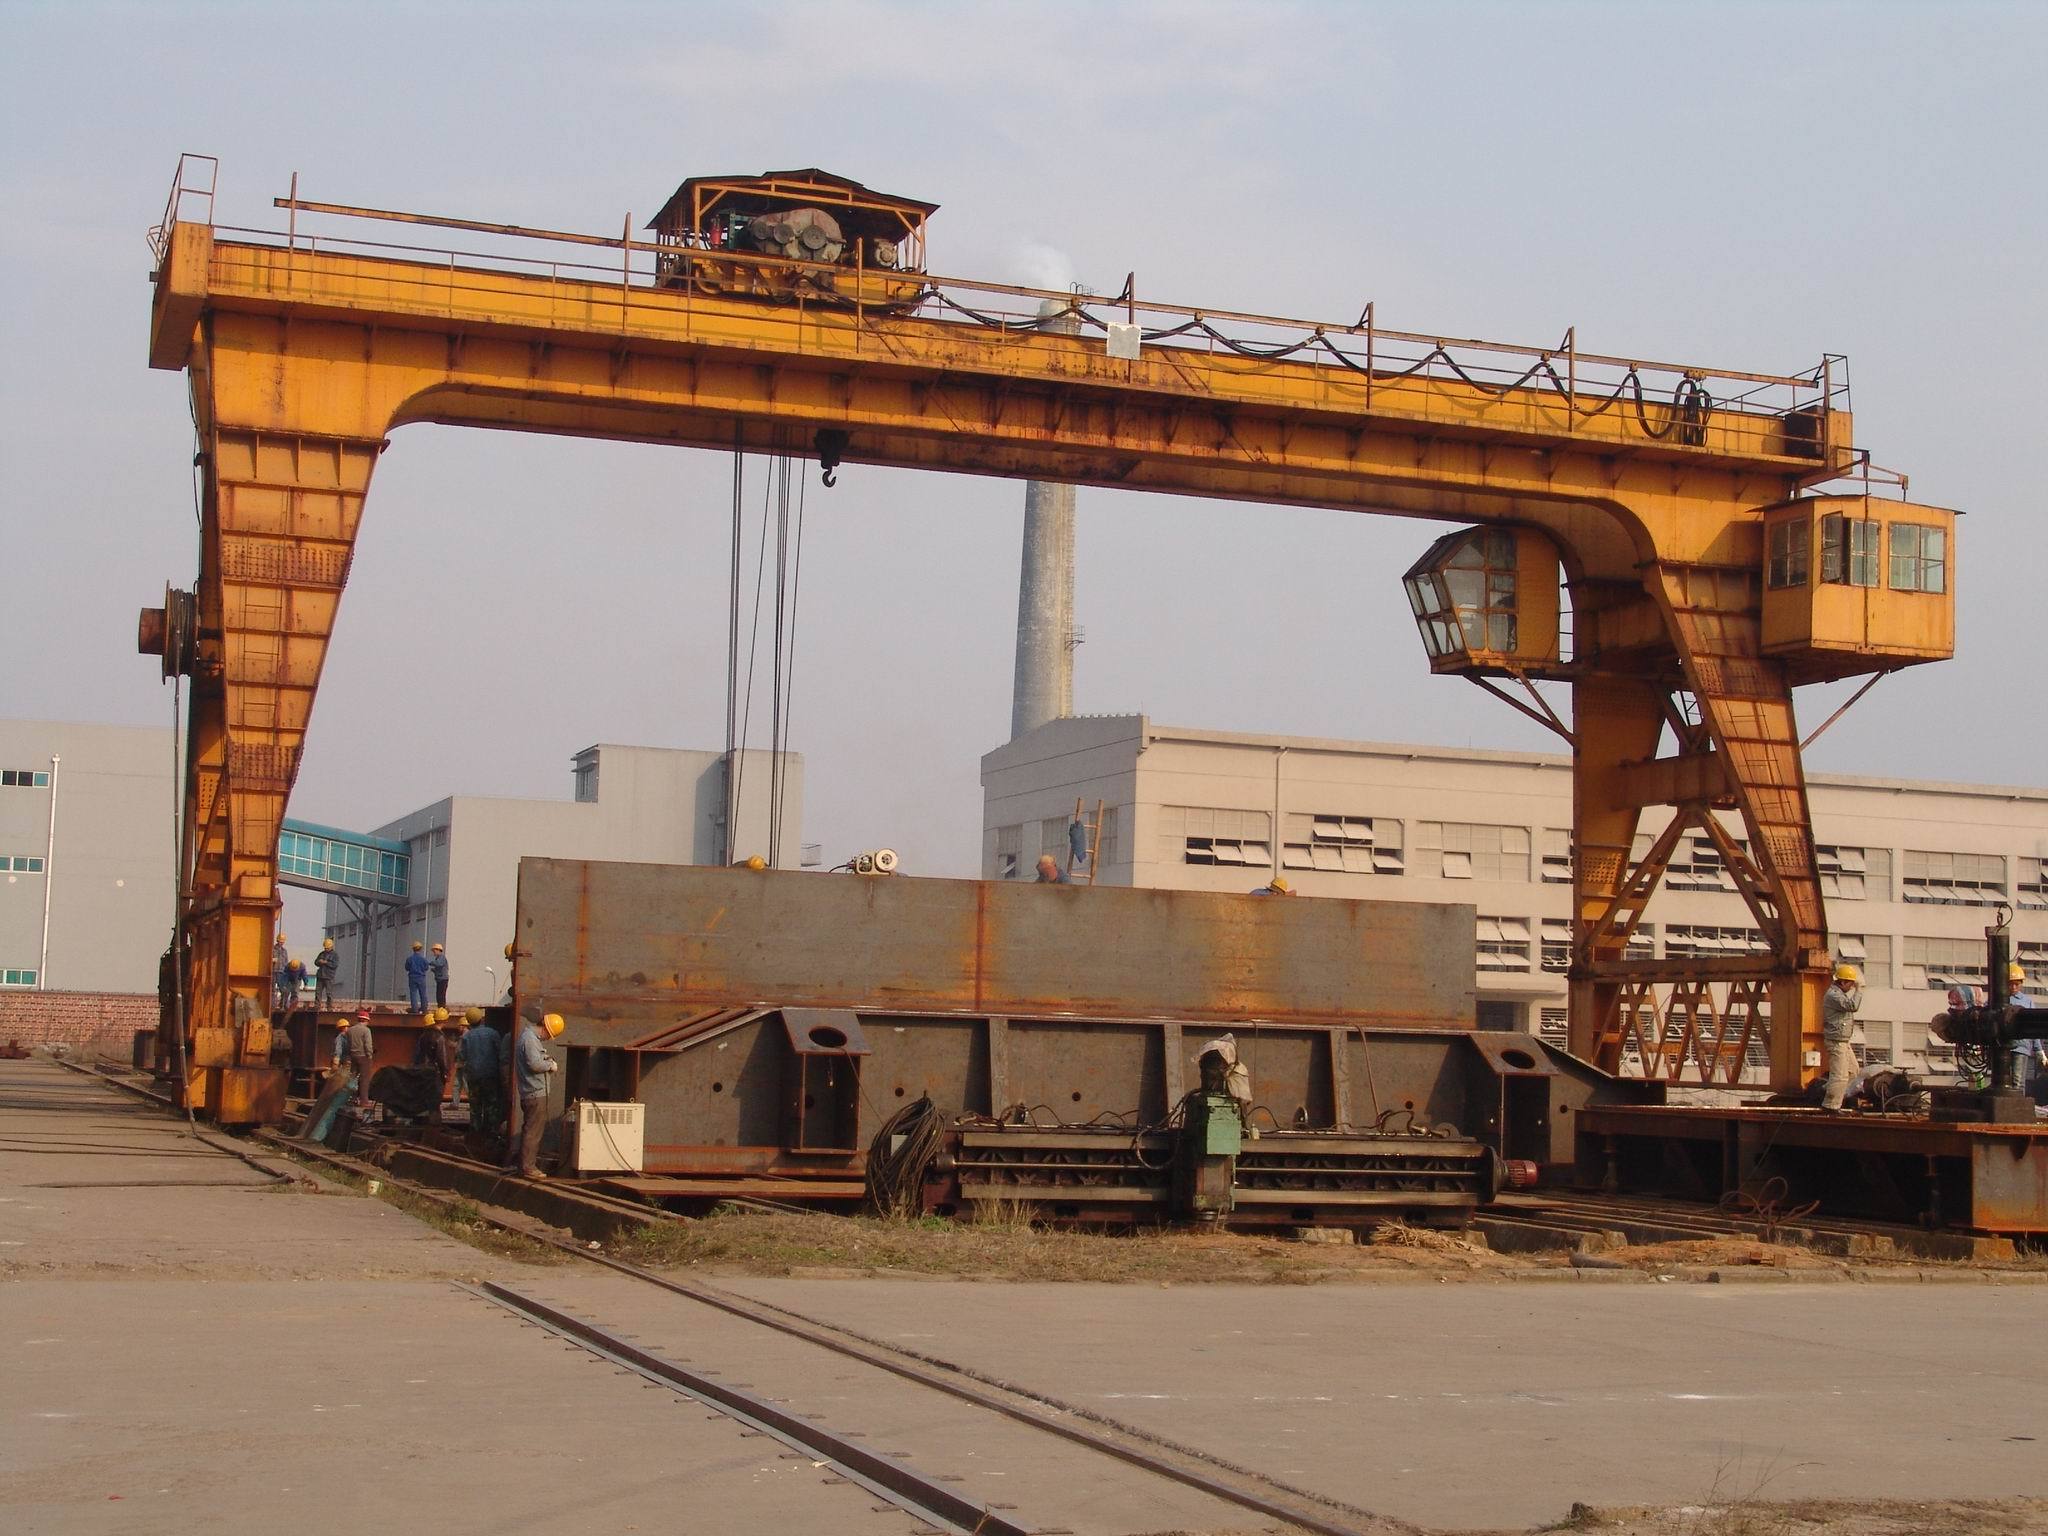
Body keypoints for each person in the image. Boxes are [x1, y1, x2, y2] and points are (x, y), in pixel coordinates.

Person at [504, 1014, 565, 1179]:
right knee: (533, 1132)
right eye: (549, 1035)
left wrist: (545, 1059)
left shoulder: (528, 1038)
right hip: (535, 1092)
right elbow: (534, 1064)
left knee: (531, 1129)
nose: (547, 1039)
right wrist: (550, 1065)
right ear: (545, 1029)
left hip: (532, 1092)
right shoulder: (530, 1039)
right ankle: (528, 1167)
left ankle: (525, 1166)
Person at [1820, 961, 1863, 1111]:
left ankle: (1825, 1091)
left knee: (1852, 1071)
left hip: (1843, 1041)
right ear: (1843, 982)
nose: (1851, 987)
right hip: (1836, 1041)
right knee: (1840, 1075)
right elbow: (1852, 1006)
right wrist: (1859, 990)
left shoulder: (1839, 994)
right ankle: (1830, 1106)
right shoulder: (1833, 995)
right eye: (1850, 984)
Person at [458, 1008, 505, 1138]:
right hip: (491, 1076)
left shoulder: (466, 1037)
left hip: (473, 1076)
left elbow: (462, 1056)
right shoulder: (492, 1033)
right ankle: (491, 1134)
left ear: (468, 1022)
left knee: (475, 1107)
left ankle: (476, 1135)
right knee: (491, 1106)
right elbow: (501, 1053)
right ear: (481, 1019)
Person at [413, 1007, 453, 1103]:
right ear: (445, 1020)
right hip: (435, 1073)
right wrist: (446, 1073)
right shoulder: (440, 1037)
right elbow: (442, 1057)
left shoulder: (424, 1035)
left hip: (423, 1070)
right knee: (434, 1100)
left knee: (424, 1098)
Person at [345, 1007, 375, 1109]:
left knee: (352, 1079)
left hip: (353, 1056)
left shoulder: (350, 1030)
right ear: (366, 1020)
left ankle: (352, 1099)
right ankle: (364, 1101)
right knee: (364, 1080)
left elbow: (347, 1045)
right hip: (363, 1057)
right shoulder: (366, 1030)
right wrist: (369, 1055)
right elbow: (368, 1045)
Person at [404, 941, 430, 1014]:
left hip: (412, 977)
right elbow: (426, 968)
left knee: (413, 994)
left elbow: (407, 968)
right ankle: (424, 1009)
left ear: (413, 949)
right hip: (421, 978)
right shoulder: (423, 959)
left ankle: (415, 1009)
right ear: (420, 949)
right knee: (423, 994)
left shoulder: (409, 959)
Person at [313, 937, 339, 1010]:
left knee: (329, 993)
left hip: (329, 977)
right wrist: (319, 962)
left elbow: (334, 965)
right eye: (325, 948)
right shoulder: (321, 954)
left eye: (327, 948)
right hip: (320, 976)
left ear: (331, 947)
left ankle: (329, 1007)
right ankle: (317, 1006)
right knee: (318, 992)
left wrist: (325, 962)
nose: (326, 949)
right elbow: (316, 962)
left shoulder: (335, 955)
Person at [272, 934, 291, 1012]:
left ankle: (283, 1005)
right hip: (273, 971)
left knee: (284, 990)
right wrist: (272, 960)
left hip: (282, 973)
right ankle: (272, 1006)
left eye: (282, 942)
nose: (281, 943)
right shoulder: (272, 949)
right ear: (277, 941)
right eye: (280, 941)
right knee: (272, 990)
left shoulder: (284, 951)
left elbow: (286, 962)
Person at [429, 943, 451, 1009]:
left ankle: (442, 1008)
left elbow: (439, 964)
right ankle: (440, 1008)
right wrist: (434, 970)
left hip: (443, 980)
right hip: (440, 980)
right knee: (439, 995)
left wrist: (430, 963)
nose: (434, 952)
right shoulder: (438, 958)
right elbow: (439, 967)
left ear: (438, 950)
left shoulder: (441, 957)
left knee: (441, 995)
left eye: (434, 951)